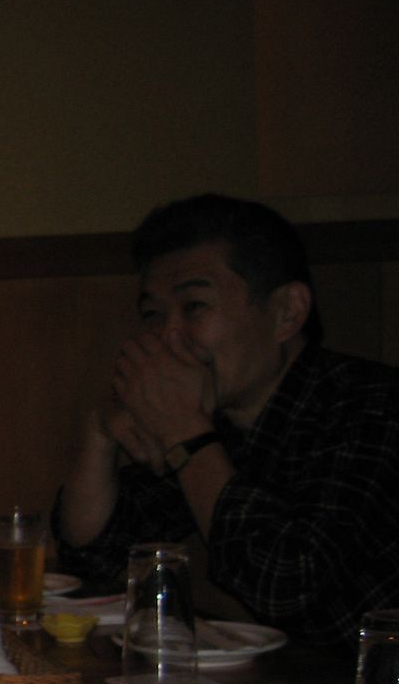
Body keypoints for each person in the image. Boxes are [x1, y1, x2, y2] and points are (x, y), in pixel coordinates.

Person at [54, 193, 399, 644]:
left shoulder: (372, 407)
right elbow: (93, 555)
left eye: (194, 307)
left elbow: (287, 586)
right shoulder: (220, 419)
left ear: (288, 312)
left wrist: (187, 436)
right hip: (297, 682)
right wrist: (100, 433)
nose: (167, 337)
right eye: (153, 315)